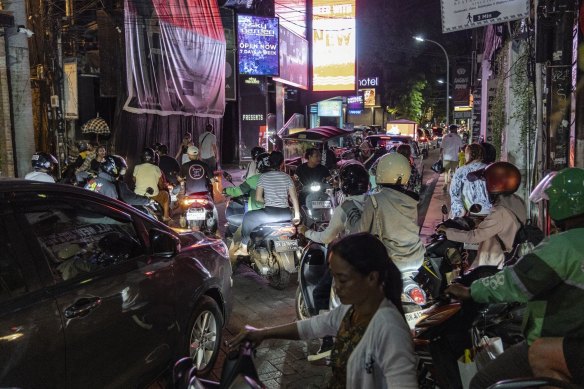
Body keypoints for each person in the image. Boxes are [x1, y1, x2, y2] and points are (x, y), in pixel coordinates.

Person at [445, 167, 584, 389]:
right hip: (574, 346)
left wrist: (471, 291)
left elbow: (517, 282)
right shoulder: (517, 204)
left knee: (482, 382)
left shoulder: (562, 245)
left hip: (555, 342)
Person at [228, 233, 418, 388]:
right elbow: (312, 326)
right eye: (334, 278)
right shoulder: (351, 311)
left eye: (342, 280)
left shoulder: (390, 330)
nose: (335, 287)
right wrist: (263, 333)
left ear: (371, 278)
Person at [437, 161, 526, 268]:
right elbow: (503, 226)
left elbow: (474, 236)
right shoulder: (517, 201)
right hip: (509, 255)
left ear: (495, 184)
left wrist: (447, 232)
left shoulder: (500, 212)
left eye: (486, 183)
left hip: (494, 262)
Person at [358, 153, 426, 274]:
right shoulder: (411, 200)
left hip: (392, 262)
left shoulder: (374, 200)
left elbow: (361, 232)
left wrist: (350, 212)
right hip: (417, 258)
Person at [234, 151, 300, 256]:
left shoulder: (263, 177)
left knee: (247, 217)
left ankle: (244, 248)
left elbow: (258, 198)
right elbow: (294, 199)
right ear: (282, 163)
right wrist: (297, 215)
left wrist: (268, 202)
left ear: (269, 162)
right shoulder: (287, 177)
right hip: (286, 214)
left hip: (270, 214)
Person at [85, 155, 151, 207]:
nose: (120, 174)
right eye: (120, 170)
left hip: (85, 214)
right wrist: (148, 201)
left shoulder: (93, 181)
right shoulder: (113, 187)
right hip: (98, 218)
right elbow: (116, 208)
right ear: (113, 169)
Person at [449, 143, 491, 218]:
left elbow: (454, 192)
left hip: (469, 211)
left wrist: (461, 210)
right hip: (489, 210)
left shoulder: (461, 170)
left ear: (468, 155)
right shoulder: (489, 168)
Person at [133, 147, 171, 222]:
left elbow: (134, 180)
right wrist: (162, 186)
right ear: (153, 157)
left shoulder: (136, 167)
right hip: (153, 195)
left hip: (138, 195)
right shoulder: (156, 168)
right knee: (166, 194)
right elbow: (161, 183)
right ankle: (166, 216)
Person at [441, 124, 464, 191]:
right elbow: (461, 147)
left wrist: (440, 156)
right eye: (456, 129)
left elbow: (442, 147)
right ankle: (454, 185)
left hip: (446, 156)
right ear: (454, 129)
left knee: (446, 171)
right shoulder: (458, 137)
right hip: (454, 157)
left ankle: (445, 184)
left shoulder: (445, 137)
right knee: (454, 171)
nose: (456, 130)